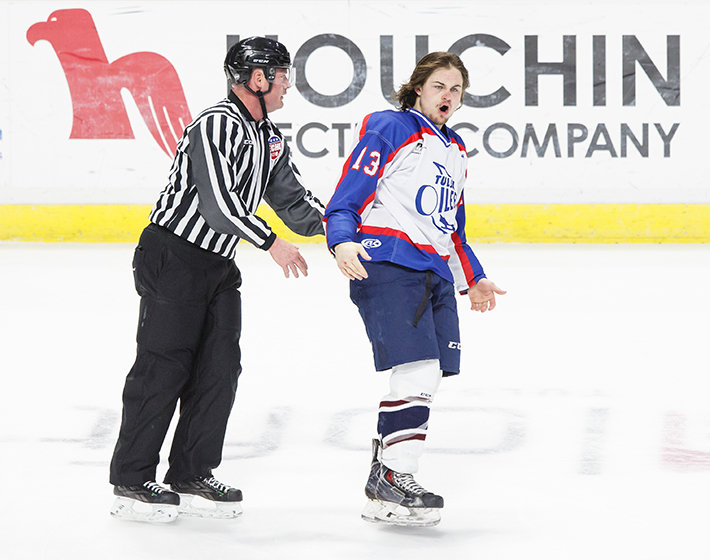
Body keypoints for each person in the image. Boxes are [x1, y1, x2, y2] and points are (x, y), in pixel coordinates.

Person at [109, 36, 325, 523]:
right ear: (256, 79)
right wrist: (272, 243)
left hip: (218, 266)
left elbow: (292, 199)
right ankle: (131, 477)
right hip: (174, 257)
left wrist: (342, 228)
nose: (288, 83)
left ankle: (190, 473)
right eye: (282, 74)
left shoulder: (268, 137)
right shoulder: (214, 125)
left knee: (219, 368)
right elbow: (218, 202)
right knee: (163, 367)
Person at [324, 51, 506, 527]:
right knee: (419, 369)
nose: (449, 96)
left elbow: (454, 229)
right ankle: (398, 475)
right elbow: (346, 196)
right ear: (419, 87)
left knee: (427, 376)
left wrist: (475, 277)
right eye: (441, 86)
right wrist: (341, 241)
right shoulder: (391, 127)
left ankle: (383, 484)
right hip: (386, 263)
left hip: (437, 272)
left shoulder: (455, 150)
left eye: (457, 90)